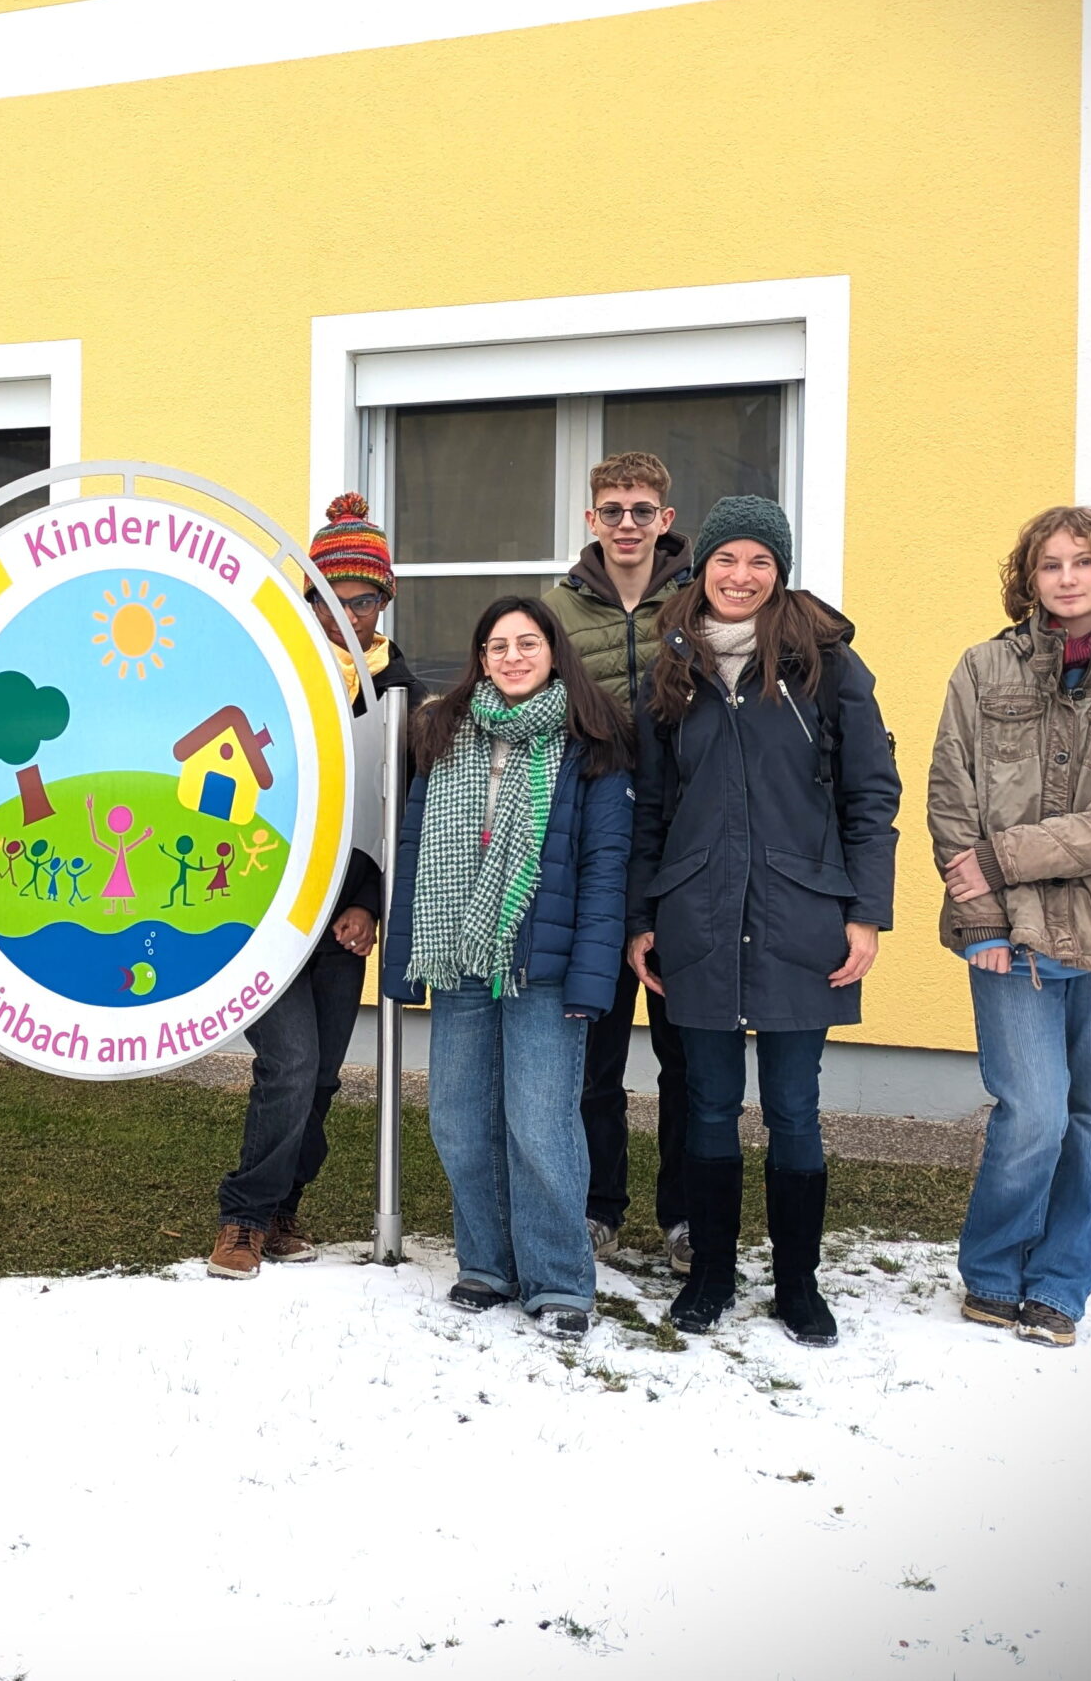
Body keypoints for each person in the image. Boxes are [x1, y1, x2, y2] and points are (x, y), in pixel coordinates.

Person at [626, 495, 900, 1346]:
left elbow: (870, 795)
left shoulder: (828, 666)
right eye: (725, 560)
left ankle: (798, 1284)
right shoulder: (670, 670)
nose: (740, 577)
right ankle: (709, 1273)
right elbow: (650, 809)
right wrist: (643, 915)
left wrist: (866, 913)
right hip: (697, 913)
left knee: (792, 1106)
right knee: (707, 1104)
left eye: (759, 562)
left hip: (800, 916)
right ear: (700, 567)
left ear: (780, 572)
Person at [931, 506, 1091, 1350]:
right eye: (1050, 565)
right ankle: (995, 1271)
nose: (1068, 577)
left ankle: (1060, 1285)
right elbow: (950, 792)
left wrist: (1003, 858)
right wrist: (979, 917)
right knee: (1032, 1113)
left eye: (1085, 562)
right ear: (1029, 579)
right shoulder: (981, 668)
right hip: (1010, 933)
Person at [379, 596, 634, 1333]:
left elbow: (605, 868)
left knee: (540, 1125)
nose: (513, 656)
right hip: (460, 955)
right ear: (479, 658)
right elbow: (415, 850)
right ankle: (487, 1264)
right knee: (458, 1122)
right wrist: (402, 966)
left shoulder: (592, 742)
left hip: (544, 967)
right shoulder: (445, 734)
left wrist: (592, 978)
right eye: (497, 646)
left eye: (528, 643)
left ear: (555, 651)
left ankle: (559, 1281)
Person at [208, 493, 416, 1278]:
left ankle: (288, 1204)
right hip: (264, 908)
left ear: (382, 601)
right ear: (312, 600)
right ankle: (244, 1218)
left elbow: (393, 808)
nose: (349, 616)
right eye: (334, 599)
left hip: (341, 919)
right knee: (290, 1063)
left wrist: (367, 902)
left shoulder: (400, 689)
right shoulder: (275, 672)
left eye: (364, 600)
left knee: (323, 1072)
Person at [540, 450, 696, 1268]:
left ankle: (683, 1216)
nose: (627, 523)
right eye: (612, 509)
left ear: (665, 520)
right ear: (591, 520)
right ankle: (599, 1204)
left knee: (683, 1054)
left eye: (642, 509)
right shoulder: (555, 609)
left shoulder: (701, 602)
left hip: (681, 851)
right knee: (593, 1048)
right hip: (592, 850)